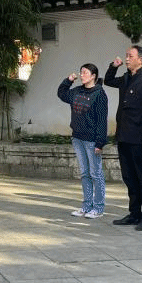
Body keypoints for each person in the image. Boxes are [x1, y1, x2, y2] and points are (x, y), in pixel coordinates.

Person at [104, 46, 142, 231]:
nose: (127, 59)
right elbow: (109, 80)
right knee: (129, 177)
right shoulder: (126, 78)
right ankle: (134, 213)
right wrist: (114, 66)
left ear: (141, 59)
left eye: (130, 56)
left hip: (139, 136)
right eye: (126, 56)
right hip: (124, 135)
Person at [57, 64, 109, 219]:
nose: (82, 75)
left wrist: (100, 142)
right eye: (81, 72)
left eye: (85, 73)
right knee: (85, 173)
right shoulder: (77, 91)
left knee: (96, 174)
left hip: (92, 141)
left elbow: (102, 120)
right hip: (77, 138)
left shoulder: (99, 94)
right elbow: (61, 94)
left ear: (93, 76)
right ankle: (86, 206)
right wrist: (68, 80)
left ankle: (98, 208)